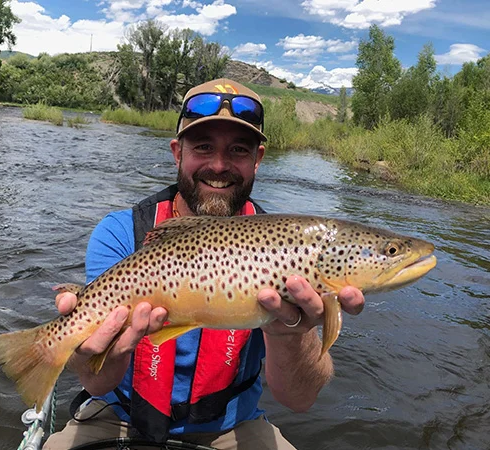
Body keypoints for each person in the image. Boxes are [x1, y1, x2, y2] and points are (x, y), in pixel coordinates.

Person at [43, 79, 365, 450]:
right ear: (177, 152)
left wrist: (288, 333)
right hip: (117, 418)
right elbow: (97, 384)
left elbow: (300, 400)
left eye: (238, 150)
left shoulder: (286, 247)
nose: (218, 165)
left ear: (258, 159)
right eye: (203, 147)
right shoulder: (120, 233)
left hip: (230, 430)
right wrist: (86, 355)